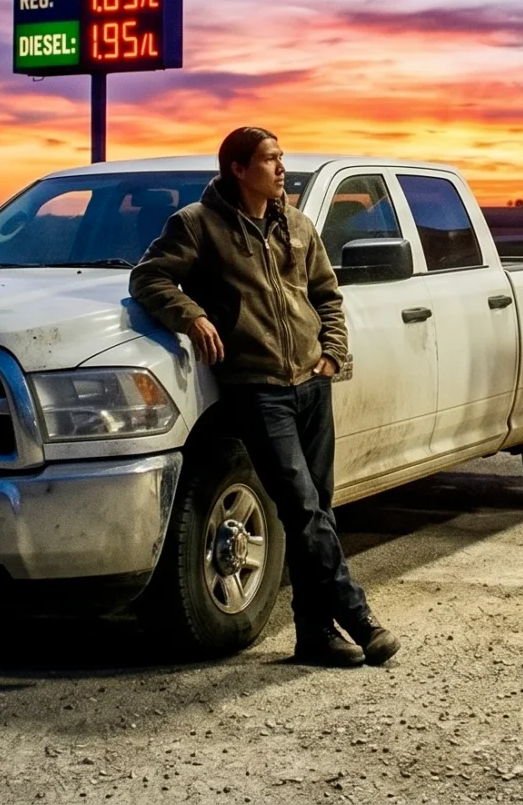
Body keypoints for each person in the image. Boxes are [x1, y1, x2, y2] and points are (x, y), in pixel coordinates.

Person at [130, 127, 401, 667]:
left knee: (317, 508)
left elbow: (326, 295)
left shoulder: (296, 226)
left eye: (281, 158)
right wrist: (194, 316)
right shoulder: (198, 226)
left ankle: (315, 635)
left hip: (311, 382)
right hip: (258, 390)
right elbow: (151, 278)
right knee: (301, 507)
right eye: (271, 159)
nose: (282, 168)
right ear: (237, 168)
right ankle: (359, 616)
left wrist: (331, 355)